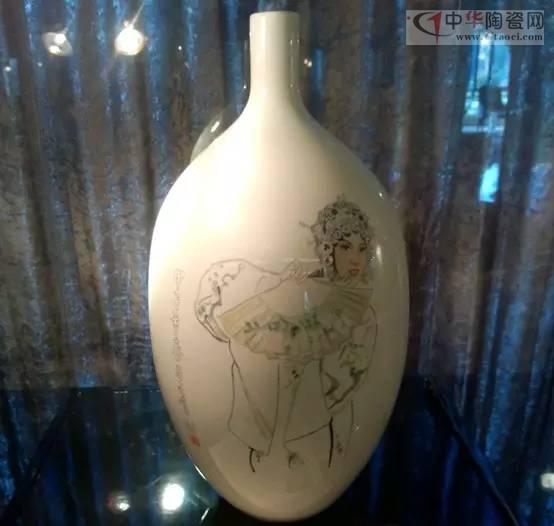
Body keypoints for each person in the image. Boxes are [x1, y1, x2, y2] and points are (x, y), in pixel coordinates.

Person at [195, 197, 377, 471]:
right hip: (277, 431)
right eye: (345, 247)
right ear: (328, 250)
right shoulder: (303, 290)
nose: (355, 258)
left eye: (362, 249)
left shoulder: (360, 313)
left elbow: (348, 379)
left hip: (322, 426)